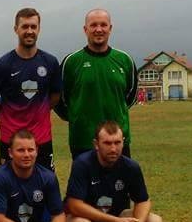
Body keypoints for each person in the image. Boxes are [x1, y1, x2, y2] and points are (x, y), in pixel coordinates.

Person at [64, 121, 164, 222]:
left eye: (117, 143)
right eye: (107, 143)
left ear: (123, 142)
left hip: (116, 221)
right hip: (85, 220)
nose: (113, 148)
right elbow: (74, 205)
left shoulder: (131, 167)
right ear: (96, 144)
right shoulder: (83, 164)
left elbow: (143, 201)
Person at [0, 7, 61, 170]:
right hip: (11, 140)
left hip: (41, 140)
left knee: (45, 183)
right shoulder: (3, 64)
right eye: (25, 26)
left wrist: (40, 111)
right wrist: (5, 114)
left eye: (33, 26)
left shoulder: (50, 62)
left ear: (39, 29)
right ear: (16, 29)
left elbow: (55, 95)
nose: (29, 31)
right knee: (9, 184)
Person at [55, 9, 137, 160]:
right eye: (93, 25)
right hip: (83, 141)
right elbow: (59, 99)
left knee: (120, 176)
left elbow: (130, 96)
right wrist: (76, 117)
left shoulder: (125, 60)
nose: (99, 29)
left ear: (110, 28)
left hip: (117, 141)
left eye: (103, 25)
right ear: (85, 29)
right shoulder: (71, 62)